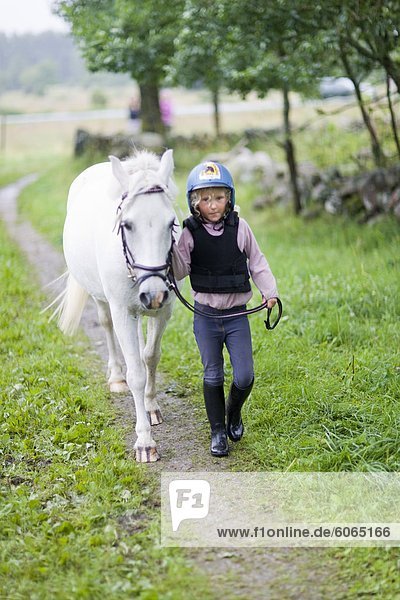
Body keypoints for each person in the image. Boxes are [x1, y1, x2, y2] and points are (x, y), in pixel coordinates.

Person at [172, 161, 279, 457]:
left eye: (218, 197)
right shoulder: (189, 233)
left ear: (229, 198)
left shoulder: (240, 228)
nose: (213, 205)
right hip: (206, 316)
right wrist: (171, 248)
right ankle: (218, 431)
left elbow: (257, 262)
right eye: (205, 199)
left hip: (236, 317)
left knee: (244, 375)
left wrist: (269, 292)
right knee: (213, 374)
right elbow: (179, 271)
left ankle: (233, 411)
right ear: (194, 203)